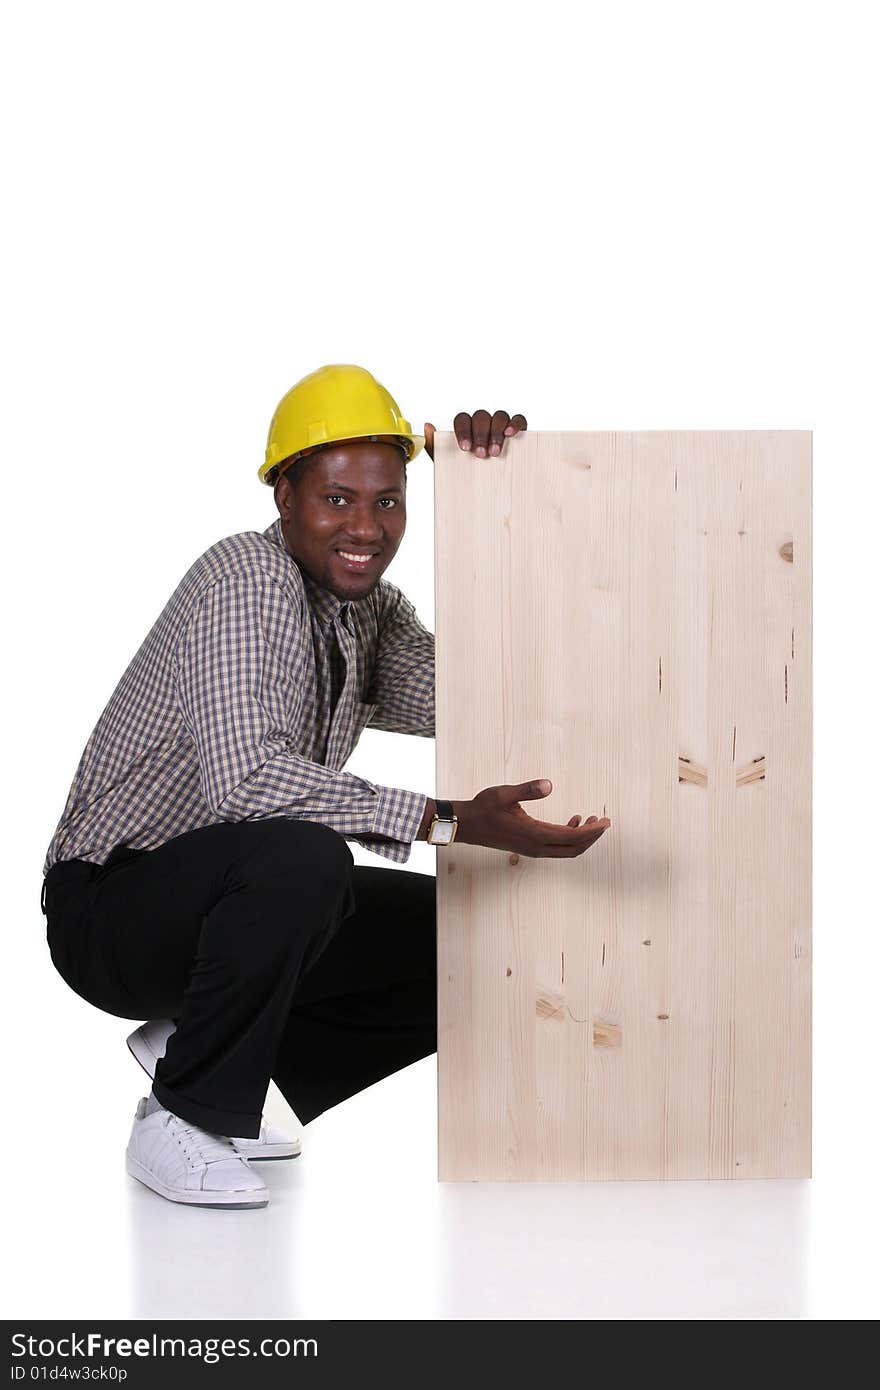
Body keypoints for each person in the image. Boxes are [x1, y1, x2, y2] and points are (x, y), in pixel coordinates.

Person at [40, 364, 611, 1210]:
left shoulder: (369, 614)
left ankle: (200, 1056)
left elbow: (479, 691)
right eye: (336, 498)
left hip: (229, 912)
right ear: (284, 497)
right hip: (112, 910)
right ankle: (180, 1119)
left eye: (387, 502)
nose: (366, 526)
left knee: (478, 941)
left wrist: (504, 494)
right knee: (302, 856)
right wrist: (447, 821)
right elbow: (245, 783)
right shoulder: (246, 577)